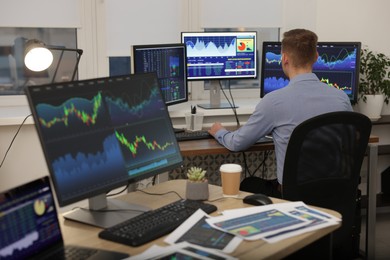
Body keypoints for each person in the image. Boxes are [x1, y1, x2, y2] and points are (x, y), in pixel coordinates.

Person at [208, 29, 353, 192]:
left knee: (249, 184)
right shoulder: (341, 98)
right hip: (335, 192)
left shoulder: (274, 102)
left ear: (284, 59)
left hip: (294, 195)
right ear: (316, 56)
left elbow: (237, 143)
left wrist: (219, 131)